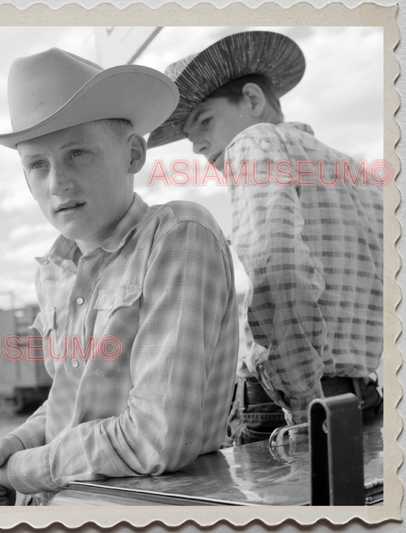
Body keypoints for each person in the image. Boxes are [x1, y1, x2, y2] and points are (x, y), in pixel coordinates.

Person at [0, 47, 239, 505]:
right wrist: (15, 445)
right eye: (37, 165)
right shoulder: (55, 272)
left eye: (78, 153)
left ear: (132, 154)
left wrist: (23, 470)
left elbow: (158, 435)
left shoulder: (178, 236)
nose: (57, 184)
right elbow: (72, 402)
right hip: (68, 503)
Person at [148, 31, 384, 444]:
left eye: (205, 121)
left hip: (298, 404)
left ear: (253, 100)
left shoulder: (253, 142)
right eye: (189, 136)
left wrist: (302, 405)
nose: (198, 147)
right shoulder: (359, 175)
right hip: (363, 393)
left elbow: (276, 269)